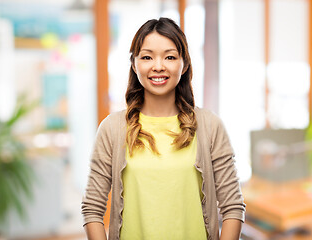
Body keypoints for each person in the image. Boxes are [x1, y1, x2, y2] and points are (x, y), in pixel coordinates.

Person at [81, 17, 245, 240]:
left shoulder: (209, 125)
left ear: (184, 64)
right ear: (134, 63)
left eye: (169, 57)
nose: (158, 66)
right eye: (147, 57)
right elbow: (92, 208)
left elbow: (233, 207)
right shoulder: (112, 128)